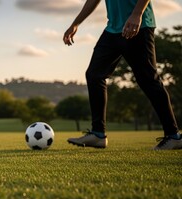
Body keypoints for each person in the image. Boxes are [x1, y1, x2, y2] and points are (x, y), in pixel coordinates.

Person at [63, 0, 182, 150]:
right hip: (112, 29)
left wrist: (137, 14)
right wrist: (76, 23)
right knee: (94, 75)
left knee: (148, 80)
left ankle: (173, 136)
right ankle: (98, 134)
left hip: (138, 26)